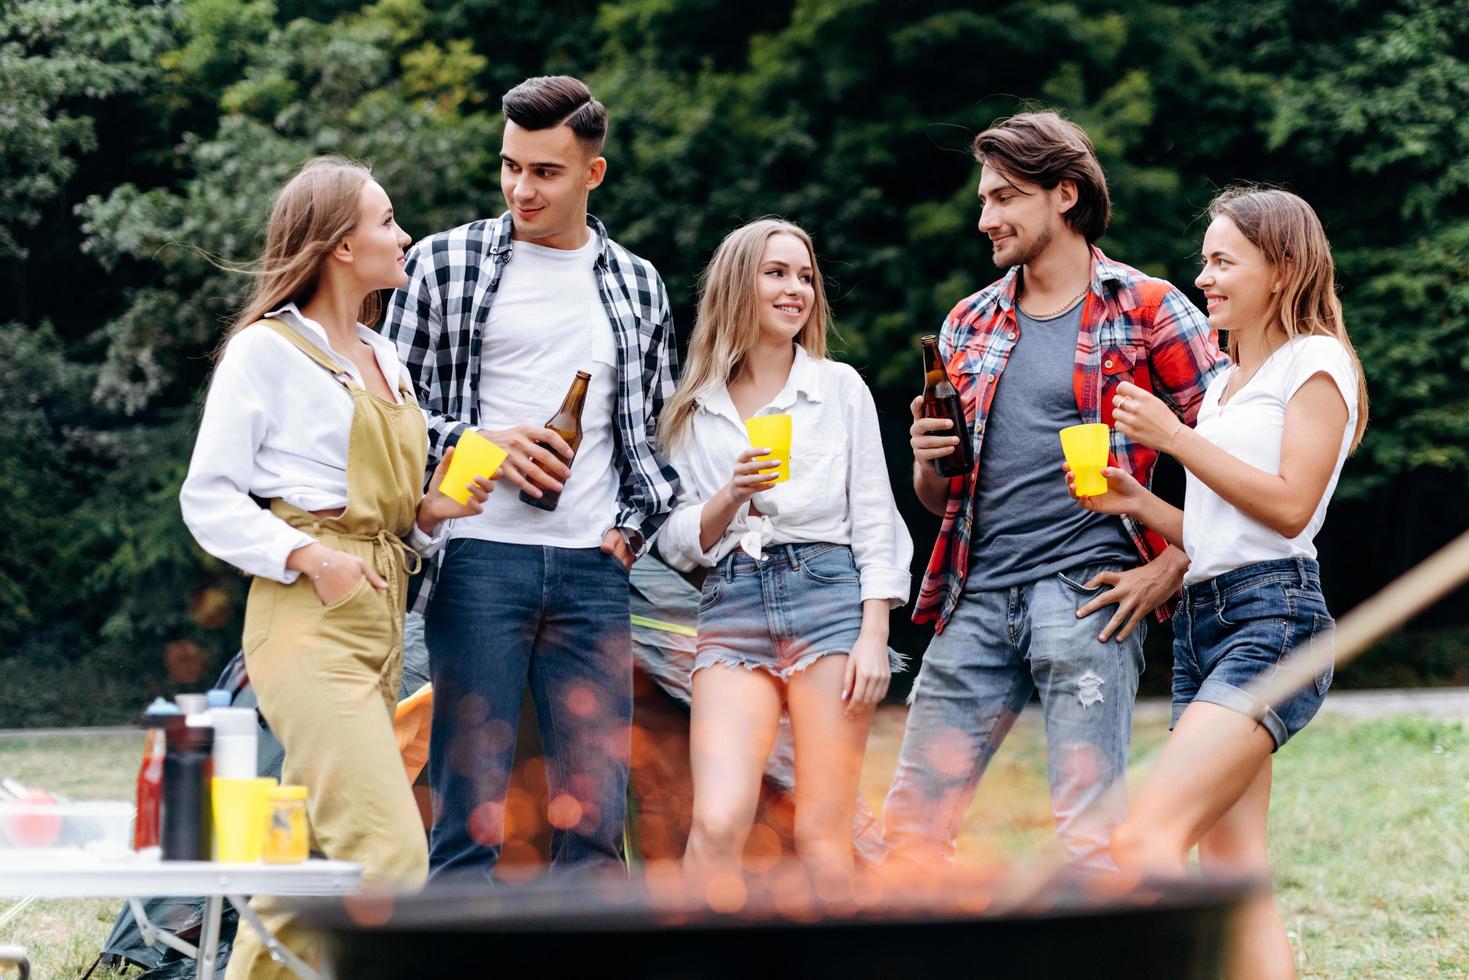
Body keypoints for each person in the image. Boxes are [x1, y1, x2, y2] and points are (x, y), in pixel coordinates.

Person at [883, 111, 1229, 872]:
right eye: (983, 200)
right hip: (971, 597)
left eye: (1004, 197)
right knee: (908, 830)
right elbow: (940, 500)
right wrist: (926, 456)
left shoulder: (1147, 307)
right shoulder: (968, 322)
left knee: (1088, 840)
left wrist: (1170, 563)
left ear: (1064, 194)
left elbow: (1232, 450)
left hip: (1086, 597)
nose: (985, 219)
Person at [179, 156, 492, 979]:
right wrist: (311, 556)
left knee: (313, 860)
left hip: (383, 618)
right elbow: (208, 498)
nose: (404, 235)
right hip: (306, 624)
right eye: (387, 221)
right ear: (339, 245)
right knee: (390, 859)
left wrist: (429, 516)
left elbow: (385, 510)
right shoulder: (267, 352)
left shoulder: (388, 360)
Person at [382, 75, 681, 880]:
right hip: (479, 558)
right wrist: (482, 444)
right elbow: (391, 413)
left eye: (545, 171)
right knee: (467, 816)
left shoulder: (637, 284)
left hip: (593, 569)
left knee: (593, 825)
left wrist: (630, 530)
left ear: (592, 173)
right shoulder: (440, 264)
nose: (521, 187)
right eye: (510, 165)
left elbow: (646, 437)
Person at [1073, 187, 1366, 979]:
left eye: (1221, 260)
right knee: (1234, 872)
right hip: (1208, 618)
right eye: (1204, 259)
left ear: (1282, 268)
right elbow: (1215, 536)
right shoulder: (1226, 383)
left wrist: (1171, 437)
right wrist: (1137, 502)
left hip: (1273, 620)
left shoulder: (1316, 361)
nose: (1202, 277)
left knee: (1142, 842)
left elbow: (1288, 508)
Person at [656, 219, 912, 883]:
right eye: (776, 273)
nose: (795, 288)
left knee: (821, 832)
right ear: (738, 285)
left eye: (804, 275)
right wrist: (728, 496)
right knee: (716, 823)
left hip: (828, 599)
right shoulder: (691, 408)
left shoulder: (839, 388)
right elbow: (679, 540)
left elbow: (876, 519)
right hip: (731, 601)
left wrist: (873, 635)